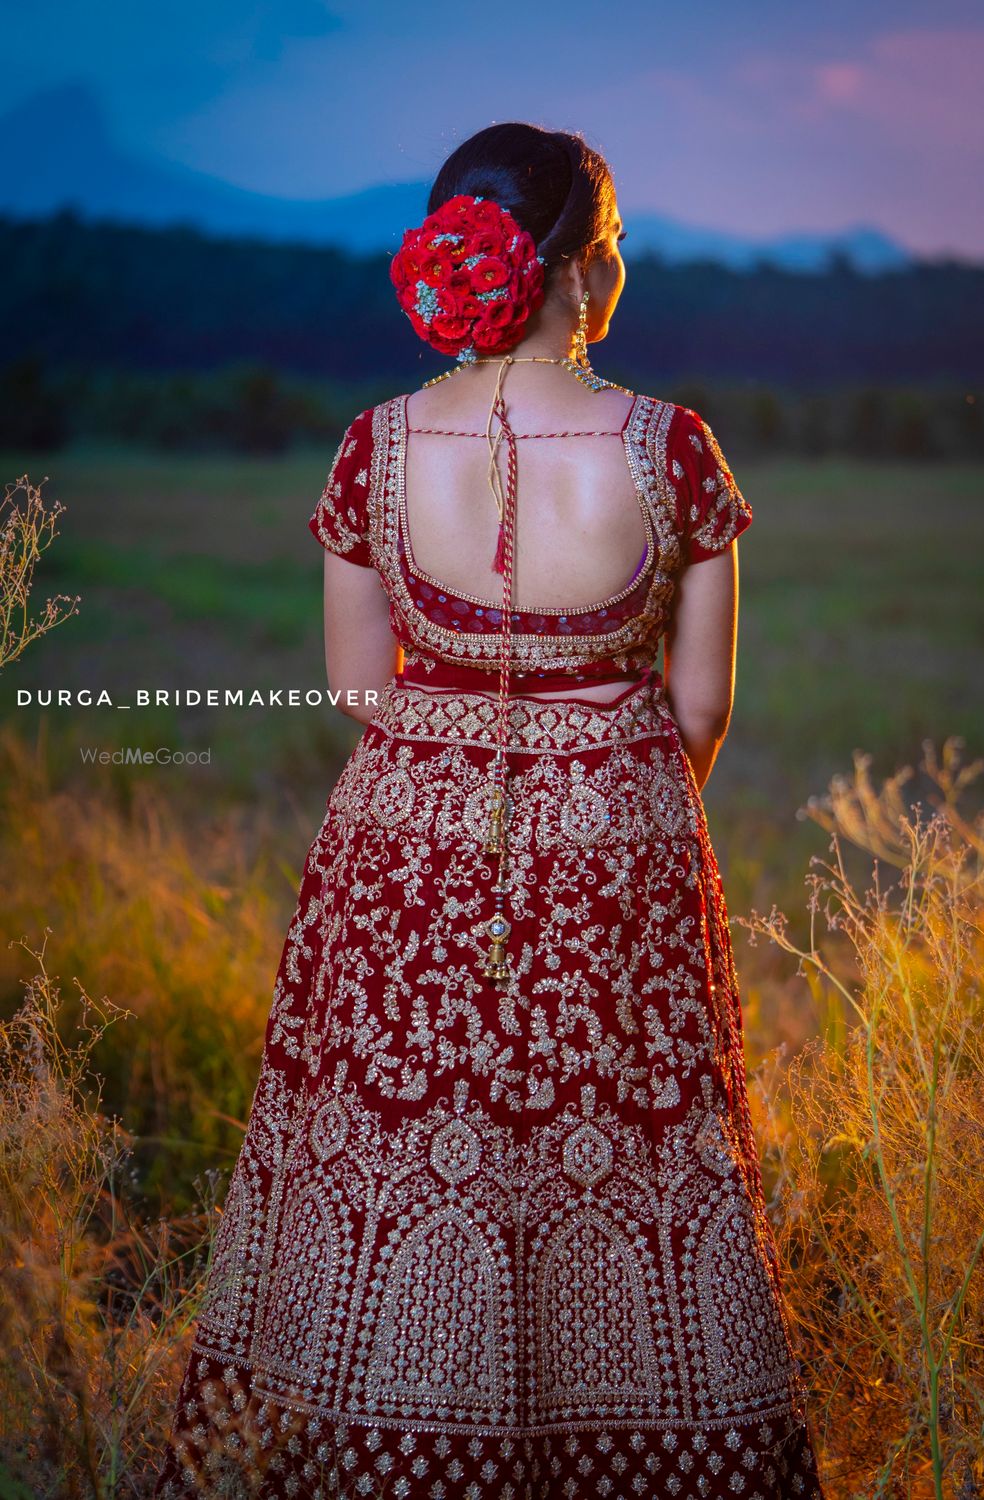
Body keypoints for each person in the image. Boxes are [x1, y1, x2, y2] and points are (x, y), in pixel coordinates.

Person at [155, 122, 826, 1499]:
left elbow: (357, 687)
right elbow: (700, 711)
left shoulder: (376, 448)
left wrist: (461, 769)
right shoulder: (672, 449)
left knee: (412, 1157)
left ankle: (377, 1438)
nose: (621, 271)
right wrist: (604, 799)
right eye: (618, 248)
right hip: (621, 845)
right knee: (623, 1168)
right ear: (578, 273)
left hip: (403, 854)